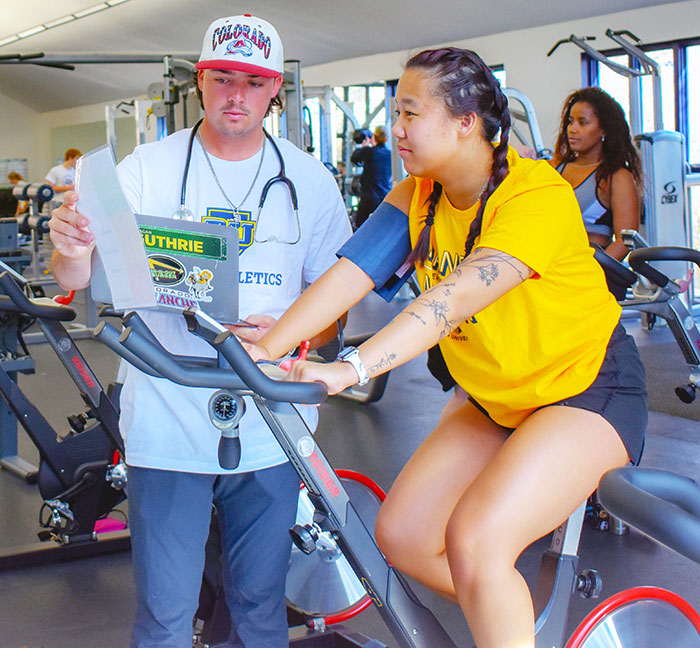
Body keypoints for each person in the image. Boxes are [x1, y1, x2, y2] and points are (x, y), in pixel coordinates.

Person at [245, 47, 647, 648]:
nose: (395, 129)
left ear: (465, 123)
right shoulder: (421, 196)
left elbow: (450, 302)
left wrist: (347, 368)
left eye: (410, 112)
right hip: (495, 395)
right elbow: (349, 273)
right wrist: (264, 348)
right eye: (395, 111)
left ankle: (502, 611)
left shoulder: (534, 196)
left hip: (585, 387)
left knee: (476, 541)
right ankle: (509, 616)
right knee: (403, 535)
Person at [48, 13, 351, 648]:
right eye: (222, 79)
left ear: (274, 89)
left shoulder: (311, 182)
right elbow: (79, 273)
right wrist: (71, 247)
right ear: (200, 79)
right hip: (167, 413)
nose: (236, 95)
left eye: (252, 81)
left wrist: (294, 332)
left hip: (271, 419)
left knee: (261, 609)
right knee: (164, 612)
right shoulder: (145, 170)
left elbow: (336, 314)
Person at [552, 87, 642, 262]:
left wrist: (591, 272)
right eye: (571, 122)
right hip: (552, 269)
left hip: (593, 272)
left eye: (583, 122)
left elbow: (626, 240)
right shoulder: (554, 168)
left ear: (604, 130)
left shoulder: (616, 177)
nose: (573, 129)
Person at [350, 124, 393, 228]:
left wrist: (363, 146)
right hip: (385, 197)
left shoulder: (369, 152)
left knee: (359, 226)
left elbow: (354, 158)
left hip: (369, 197)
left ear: (374, 137)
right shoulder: (390, 154)